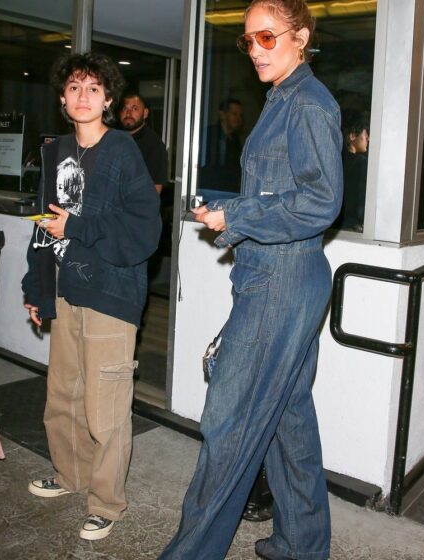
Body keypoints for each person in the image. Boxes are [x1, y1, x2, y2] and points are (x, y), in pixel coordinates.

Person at [158, 1, 343, 559]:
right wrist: (226, 208)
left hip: (282, 279)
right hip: (280, 273)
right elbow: (279, 191)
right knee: (288, 419)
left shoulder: (308, 103)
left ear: (300, 37)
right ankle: (301, 545)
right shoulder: (280, 100)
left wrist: (237, 218)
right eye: (248, 41)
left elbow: (320, 201)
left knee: (228, 424)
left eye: (268, 38)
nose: (257, 50)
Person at [21, 52, 161, 541]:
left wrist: (77, 226)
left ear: (108, 99)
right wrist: (35, 286)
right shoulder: (54, 150)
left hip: (110, 295)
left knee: (105, 409)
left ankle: (106, 502)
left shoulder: (122, 152)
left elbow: (145, 230)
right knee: (62, 398)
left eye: (93, 89)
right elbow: (45, 224)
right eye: (75, 88)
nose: (83, 96)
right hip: (65, 293)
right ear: (63, 98)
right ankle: (70, 476)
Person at [119, 92, 168, 194]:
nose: (128, 114)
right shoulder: (112, 138)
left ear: (145, 113)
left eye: (134, 109)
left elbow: (155, 190)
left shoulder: (154, 145)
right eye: (124, 109)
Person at [333, 110, 369, 232]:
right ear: (352, 136)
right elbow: (361, 200)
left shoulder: (336, 160)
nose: (368, 139)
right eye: (365, 135)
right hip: (353, 226)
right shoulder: (361, 162)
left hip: (336, 225)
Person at [199, 98, 244, 193]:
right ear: (222, 115)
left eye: (240, 115)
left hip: (229, 192)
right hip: (210, 192)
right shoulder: (209, 134)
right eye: (234, 114)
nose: (238, 119)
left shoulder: (235, 139)